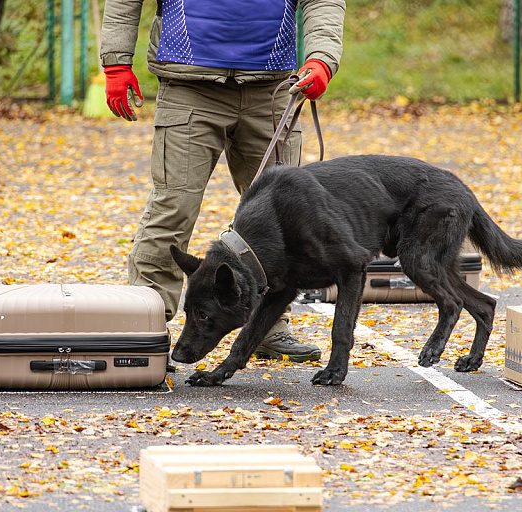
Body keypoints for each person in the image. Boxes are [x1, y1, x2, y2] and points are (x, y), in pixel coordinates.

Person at [101, 0, 345, 362]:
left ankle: (268, 328)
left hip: (273, 91)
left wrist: (322, 57)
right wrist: (117, 62)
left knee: (280, 220)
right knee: (173, 207)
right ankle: (144, 327)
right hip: (189, 88)